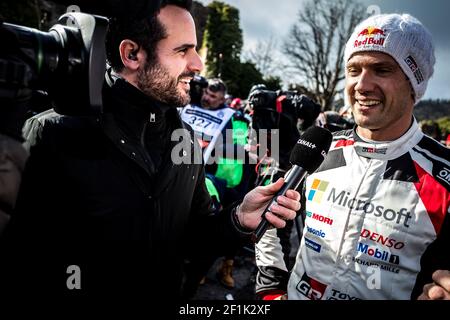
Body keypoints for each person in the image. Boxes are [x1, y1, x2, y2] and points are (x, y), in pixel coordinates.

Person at [0, 0, 300, 299]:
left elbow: (194, 236)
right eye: (183, 50)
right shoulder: (53, 132)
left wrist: (238, 218)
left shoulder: (185, 139)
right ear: (132, 54)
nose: (197, 64)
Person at [255, 13, 450, 300]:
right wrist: (270, 292)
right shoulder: (318, 148)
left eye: (381, 70)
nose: (361, 85)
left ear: (414, 83)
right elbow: (271, 223)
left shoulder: (443, 176)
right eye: (353, 70)